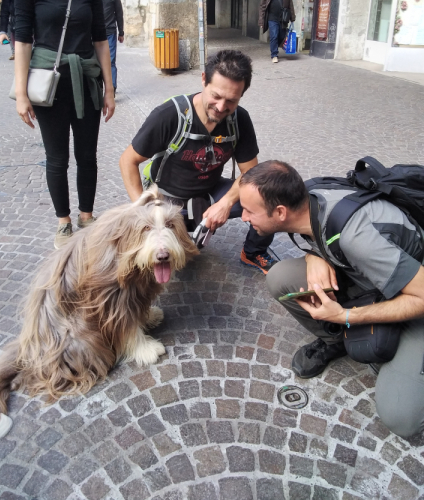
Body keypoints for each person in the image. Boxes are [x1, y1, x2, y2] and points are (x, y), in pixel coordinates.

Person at [239, 160, 424, 438]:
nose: (243, 217)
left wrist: (346, 316)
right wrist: (315, 254)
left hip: (415, 298)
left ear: (280, 212)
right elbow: (323, 228)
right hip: (368, 279)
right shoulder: (308, 195)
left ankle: (374, 338)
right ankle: (337, 340)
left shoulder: (357, 238)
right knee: (281, 277)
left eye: (249, 210)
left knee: (400, 418)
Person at [119, 49, 276, 274]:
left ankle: (253, 253)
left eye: (231, 100)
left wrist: (225, 204)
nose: (222, 107)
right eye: (216, 96)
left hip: (209, 195)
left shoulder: (239, 119)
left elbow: (251, 173)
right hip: (167, 200)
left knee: (269, 192)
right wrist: (144, 212)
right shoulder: (170, 115)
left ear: (242, 94)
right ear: (203, 79)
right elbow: (127, 161)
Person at [14, 0, 115, 249]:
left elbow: (101, 38)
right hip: (50, 85)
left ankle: (87, 216)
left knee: (88, 155)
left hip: (86, 81)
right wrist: (21, 91)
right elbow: (23, 39)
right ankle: (64, 222)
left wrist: (110, 88)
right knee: (57, 157)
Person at [93, 0, 124, 96]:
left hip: (110, 31)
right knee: (96, 62)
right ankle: (99, 88)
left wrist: (121, 31)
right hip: (94, 32)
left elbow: (119, 12)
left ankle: (112, 89)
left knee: (110, 61)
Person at [258, 0, 295, 64]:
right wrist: (261, 21)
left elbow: (290, 2)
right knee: (274, 36)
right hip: (271, 18)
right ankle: (274, 55)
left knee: (282, 35)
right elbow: (262, 6)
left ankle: (276, 46)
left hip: (283, 18)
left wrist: (292, 17)